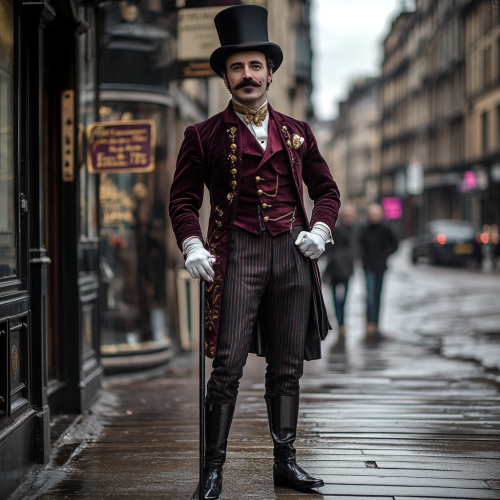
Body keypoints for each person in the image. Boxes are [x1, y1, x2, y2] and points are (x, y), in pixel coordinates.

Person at [168, 5, 340, 499]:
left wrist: (321, 229)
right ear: (226, 75)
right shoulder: (199, 136)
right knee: (227, 367)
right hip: (235, 255)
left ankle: (285, 464)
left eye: (255, 66)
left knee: (287, 366)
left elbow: (327, 191)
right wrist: (192, 242)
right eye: (237, 67)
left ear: (270, 72)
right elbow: (182, 200)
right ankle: (213, 471)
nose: (247, 75)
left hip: (292, 253)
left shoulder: (298, 131)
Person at [359, 204, 398, 336]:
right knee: (370, 294)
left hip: (380, 266)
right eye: (372, 214)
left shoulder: (386, 228)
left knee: (377, 295)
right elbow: (359, 245)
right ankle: (370, 321)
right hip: (368, 266)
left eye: (376, 214)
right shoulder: (364, 228)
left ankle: (375, 322)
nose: (374, 217)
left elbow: (395, 243)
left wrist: (386, 254)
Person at [322, 204, 356, 341]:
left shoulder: (355, 230)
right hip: (335, 270)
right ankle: (340, 322)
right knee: (336, 298)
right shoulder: (336, 229)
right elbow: (328, 248)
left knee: (344, 298)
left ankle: (342, 321)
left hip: (347, 270)